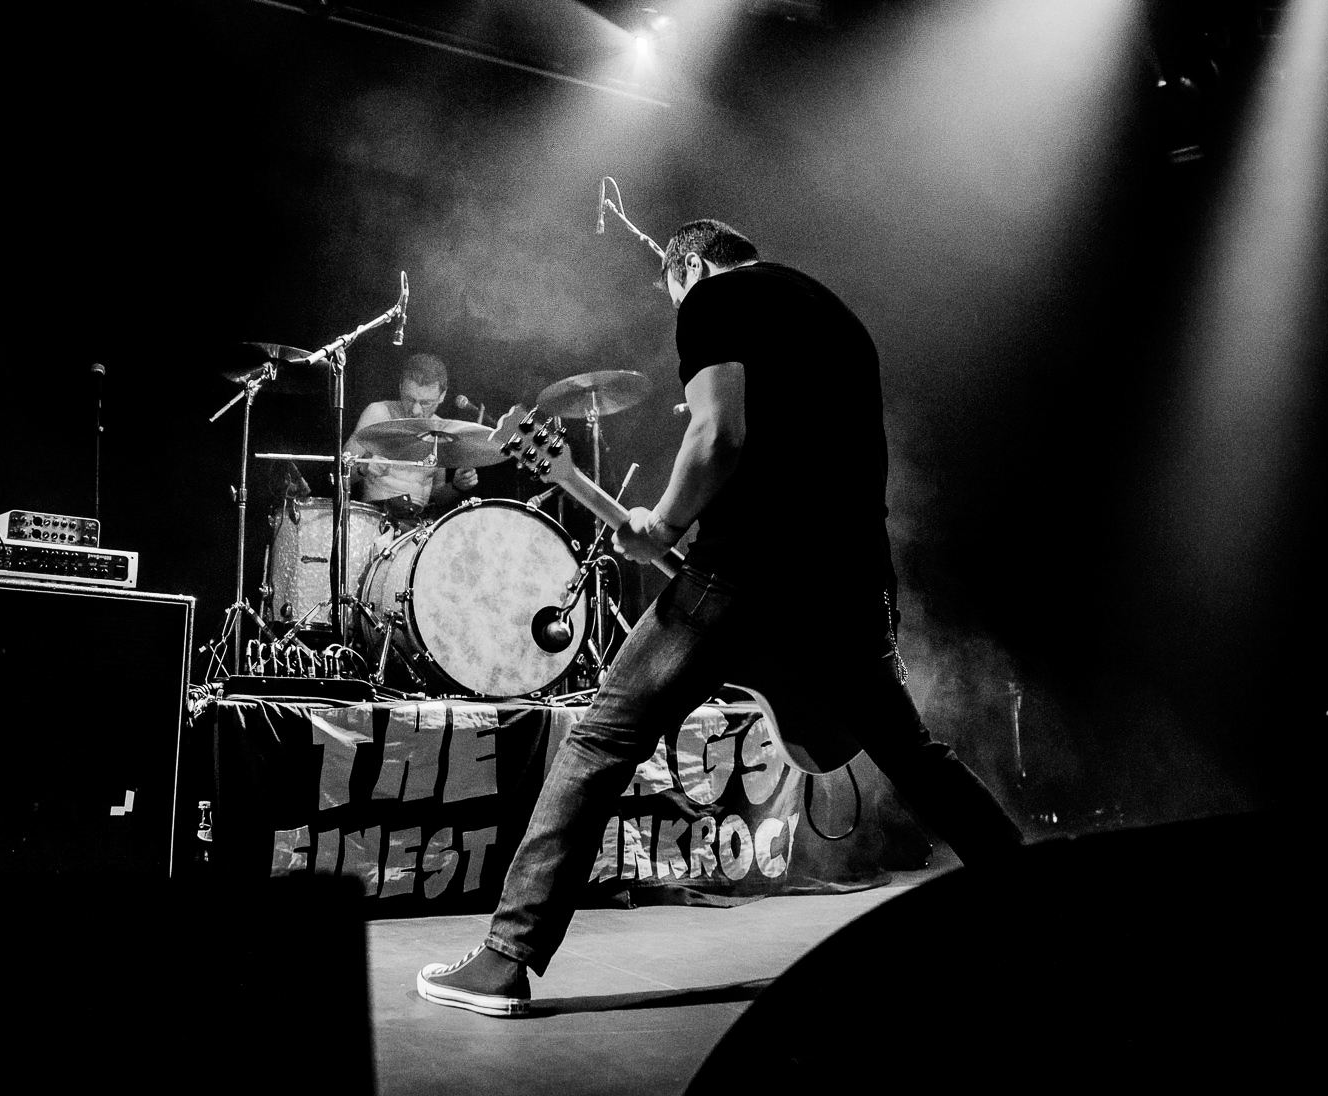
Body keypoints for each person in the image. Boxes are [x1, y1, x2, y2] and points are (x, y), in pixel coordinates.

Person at [417, 219, 1023, 1016]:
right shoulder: (835, 315)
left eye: (676, 296)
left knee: (602, 738)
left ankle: (506, 959)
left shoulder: (714, 298)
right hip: (852, 574)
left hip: (749, 567)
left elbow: (719, 432)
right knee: (913, 754)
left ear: (691, 266)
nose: (680, 312)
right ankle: (1039, 899)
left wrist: (665, 522)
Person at [345, 351, 481, 524]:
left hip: (417, 525)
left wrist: (456, 486)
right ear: (401, 387)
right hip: (377, 520)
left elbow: (436, 496)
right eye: (409, 399)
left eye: (425, 403)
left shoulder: (441, 430)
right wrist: (363, 469)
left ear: (442, 396)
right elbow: (338, 476)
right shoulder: (379, 414)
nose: (416, 410)